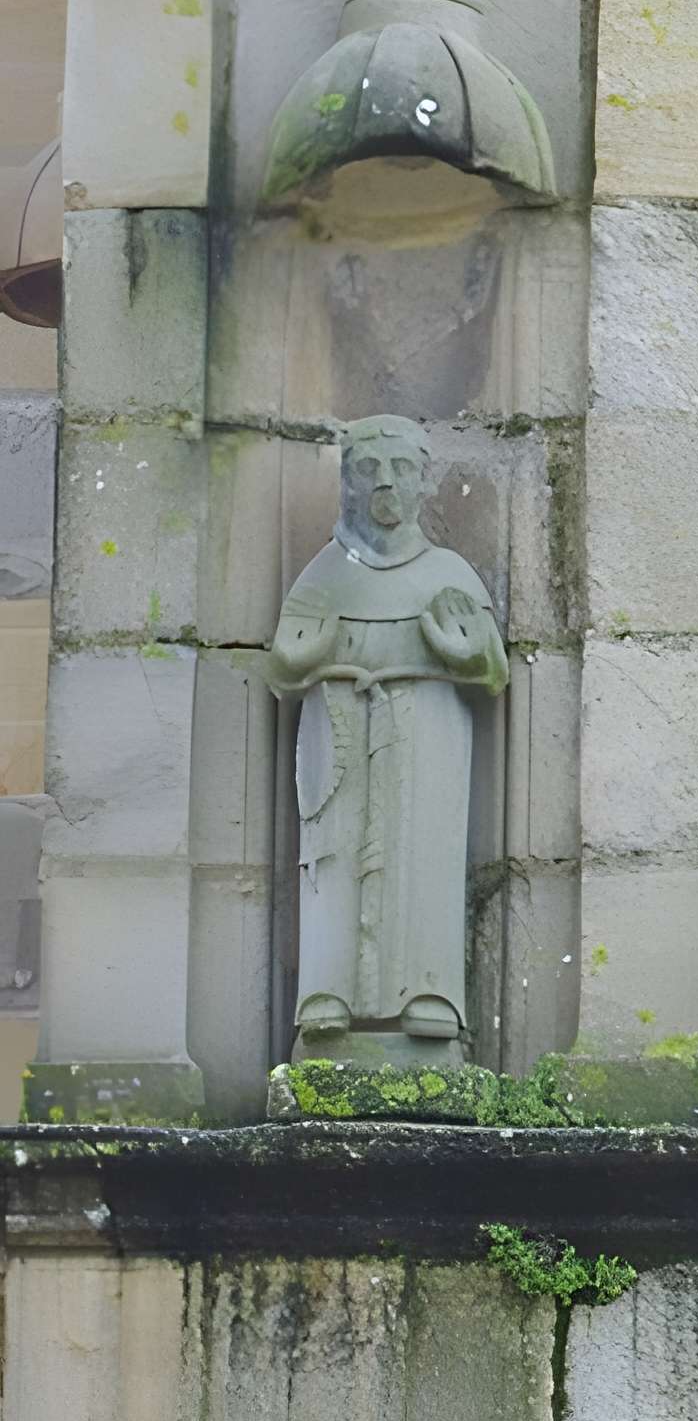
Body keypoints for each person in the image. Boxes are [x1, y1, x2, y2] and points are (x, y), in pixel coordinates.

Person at [267, 415, 509, 1064]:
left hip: (427, 730)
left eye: (401, 469)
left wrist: (468, 653)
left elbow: (492, 670)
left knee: (424, 848)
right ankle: (325, 993)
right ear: (346, 482)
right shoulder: (324, 574)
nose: (385, 484)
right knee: (333, 852)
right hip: (340, 726)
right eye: (368, 469)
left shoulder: (449, 573)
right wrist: (300, 658)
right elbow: (282, 670)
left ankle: (431, 992)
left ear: (424, 483)